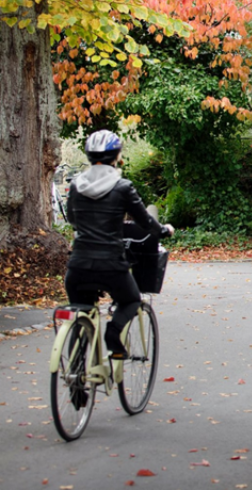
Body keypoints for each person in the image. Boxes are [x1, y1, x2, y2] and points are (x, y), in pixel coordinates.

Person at [65, 130, 174, 359]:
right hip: (111, 265)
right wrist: (164, 230)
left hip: (78, 266)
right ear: (116, 157)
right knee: (132, 299)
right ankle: (113, 334)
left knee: (80, 311)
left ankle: (76, 377)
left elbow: (73, 220)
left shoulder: (76, 185)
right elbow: (145, 222)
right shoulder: (122, 187)